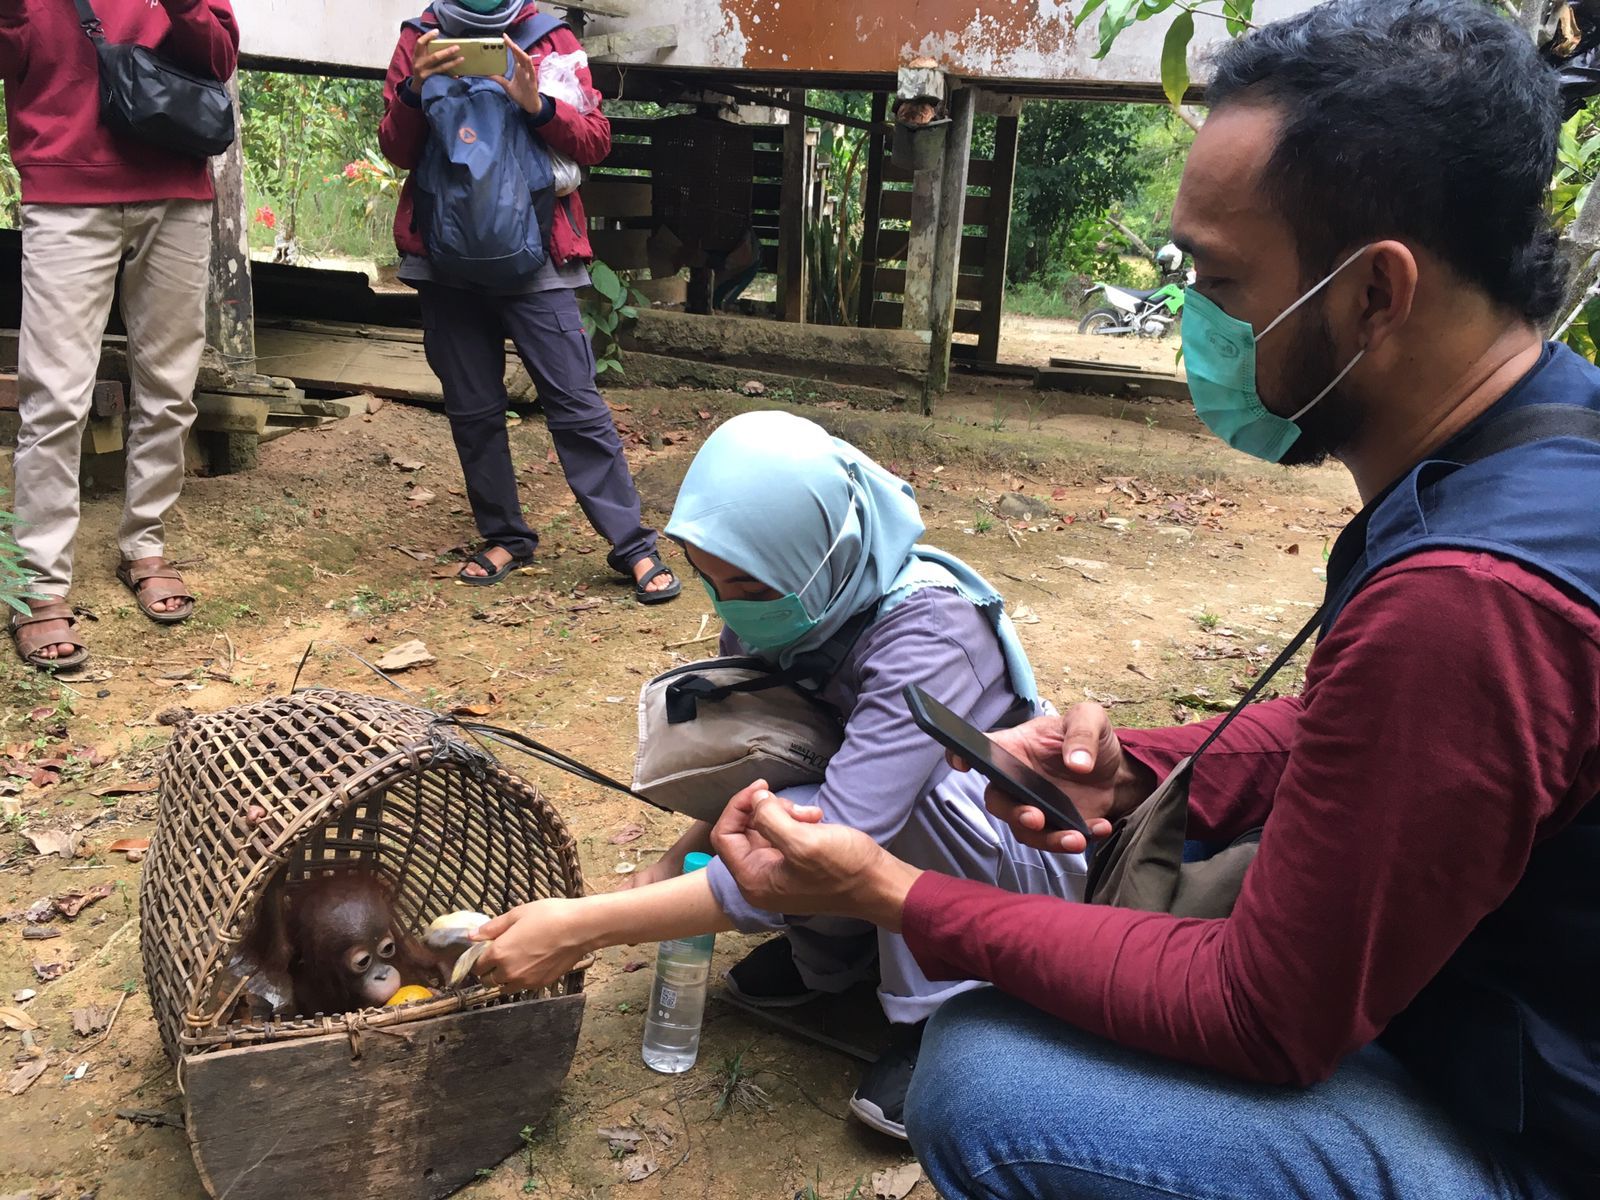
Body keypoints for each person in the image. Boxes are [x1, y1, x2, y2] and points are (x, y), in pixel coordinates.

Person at [701, 1, 1600, 1197]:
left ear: (1376, 294)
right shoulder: (1544, 443)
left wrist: (896, 895)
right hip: (1520, 1005)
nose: (1198, 323)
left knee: (985, 1074)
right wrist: (1151, 768)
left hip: (1540, 1132)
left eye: (1221, 279)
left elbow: (1263, 1014)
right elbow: (1392, 736)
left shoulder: (1469, 598)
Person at [468, 410, 1086, 1139]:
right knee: (780, 787)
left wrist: (586, 926)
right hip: (875, 814)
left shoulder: (931, 635)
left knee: (806, 820)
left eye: (749, 587)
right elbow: (776, 755)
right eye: (710, 578)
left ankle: (949, 1014)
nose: (732, 607)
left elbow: (835, 834)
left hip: (1013, 847)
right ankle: (841, 960)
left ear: (829, 548)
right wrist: (672, 860)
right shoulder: (789, 604)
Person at [378, 1, 679, 602]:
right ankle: (504, 536)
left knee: (575, 402)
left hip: (539, 255)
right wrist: (414, 90)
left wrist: (535, 102)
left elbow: (595, 142)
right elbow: (397, 149)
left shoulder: (550, 38)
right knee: (472, 407)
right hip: (444, 256)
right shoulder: (420, 37)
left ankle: (632, 545)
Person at [1, 0, 239, 670]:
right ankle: (38, 588)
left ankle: (146, 545)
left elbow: (220, 58)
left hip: (176, 184)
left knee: (169, 386)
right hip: (65, 187)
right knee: (54, 397)